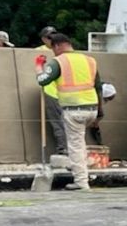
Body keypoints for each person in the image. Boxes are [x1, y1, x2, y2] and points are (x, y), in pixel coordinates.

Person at [35, 33, 103, 191]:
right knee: (80, 143)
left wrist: (39, 66)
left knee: (75, 146)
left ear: (57, 46)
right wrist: (99, 113)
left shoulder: (59, 61)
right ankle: (81, 171)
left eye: (53, 49)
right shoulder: (90, 60)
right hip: (91, 108)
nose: (54, 52)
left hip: (74, 110)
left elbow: (42, 80)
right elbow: (98, 87)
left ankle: (81, 182)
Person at [35, 26, 68, 156]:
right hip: (51, 92)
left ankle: (65, 150)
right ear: (43, 39)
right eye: (49, 37)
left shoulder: (61, 52)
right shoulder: (40, 51)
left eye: (55, 35)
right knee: (59, 124)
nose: (52, 39)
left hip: (64, 93)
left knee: (67, 125)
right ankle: (63, 150)